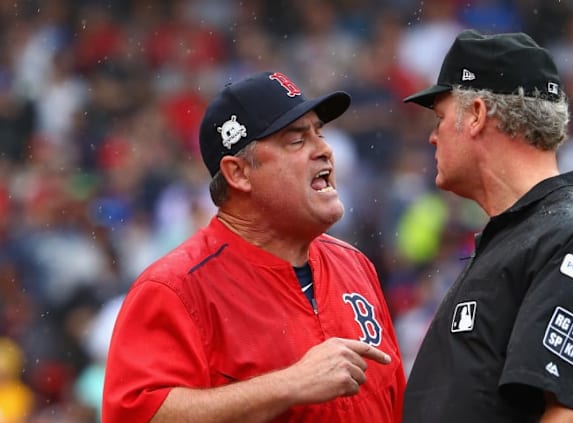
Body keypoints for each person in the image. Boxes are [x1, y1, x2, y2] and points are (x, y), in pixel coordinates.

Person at [400, 30, 573, 422]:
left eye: (440, 118)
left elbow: (569, 412)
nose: (431, 136)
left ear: (476, 114)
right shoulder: (523, 235)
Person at [102, 71, 405, 422]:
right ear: (239, 173)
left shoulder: (355, 266)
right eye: (297, 140)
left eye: (318, 133)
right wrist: (287, 385)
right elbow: (137, 416)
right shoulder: (176, 287)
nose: (324, 150)